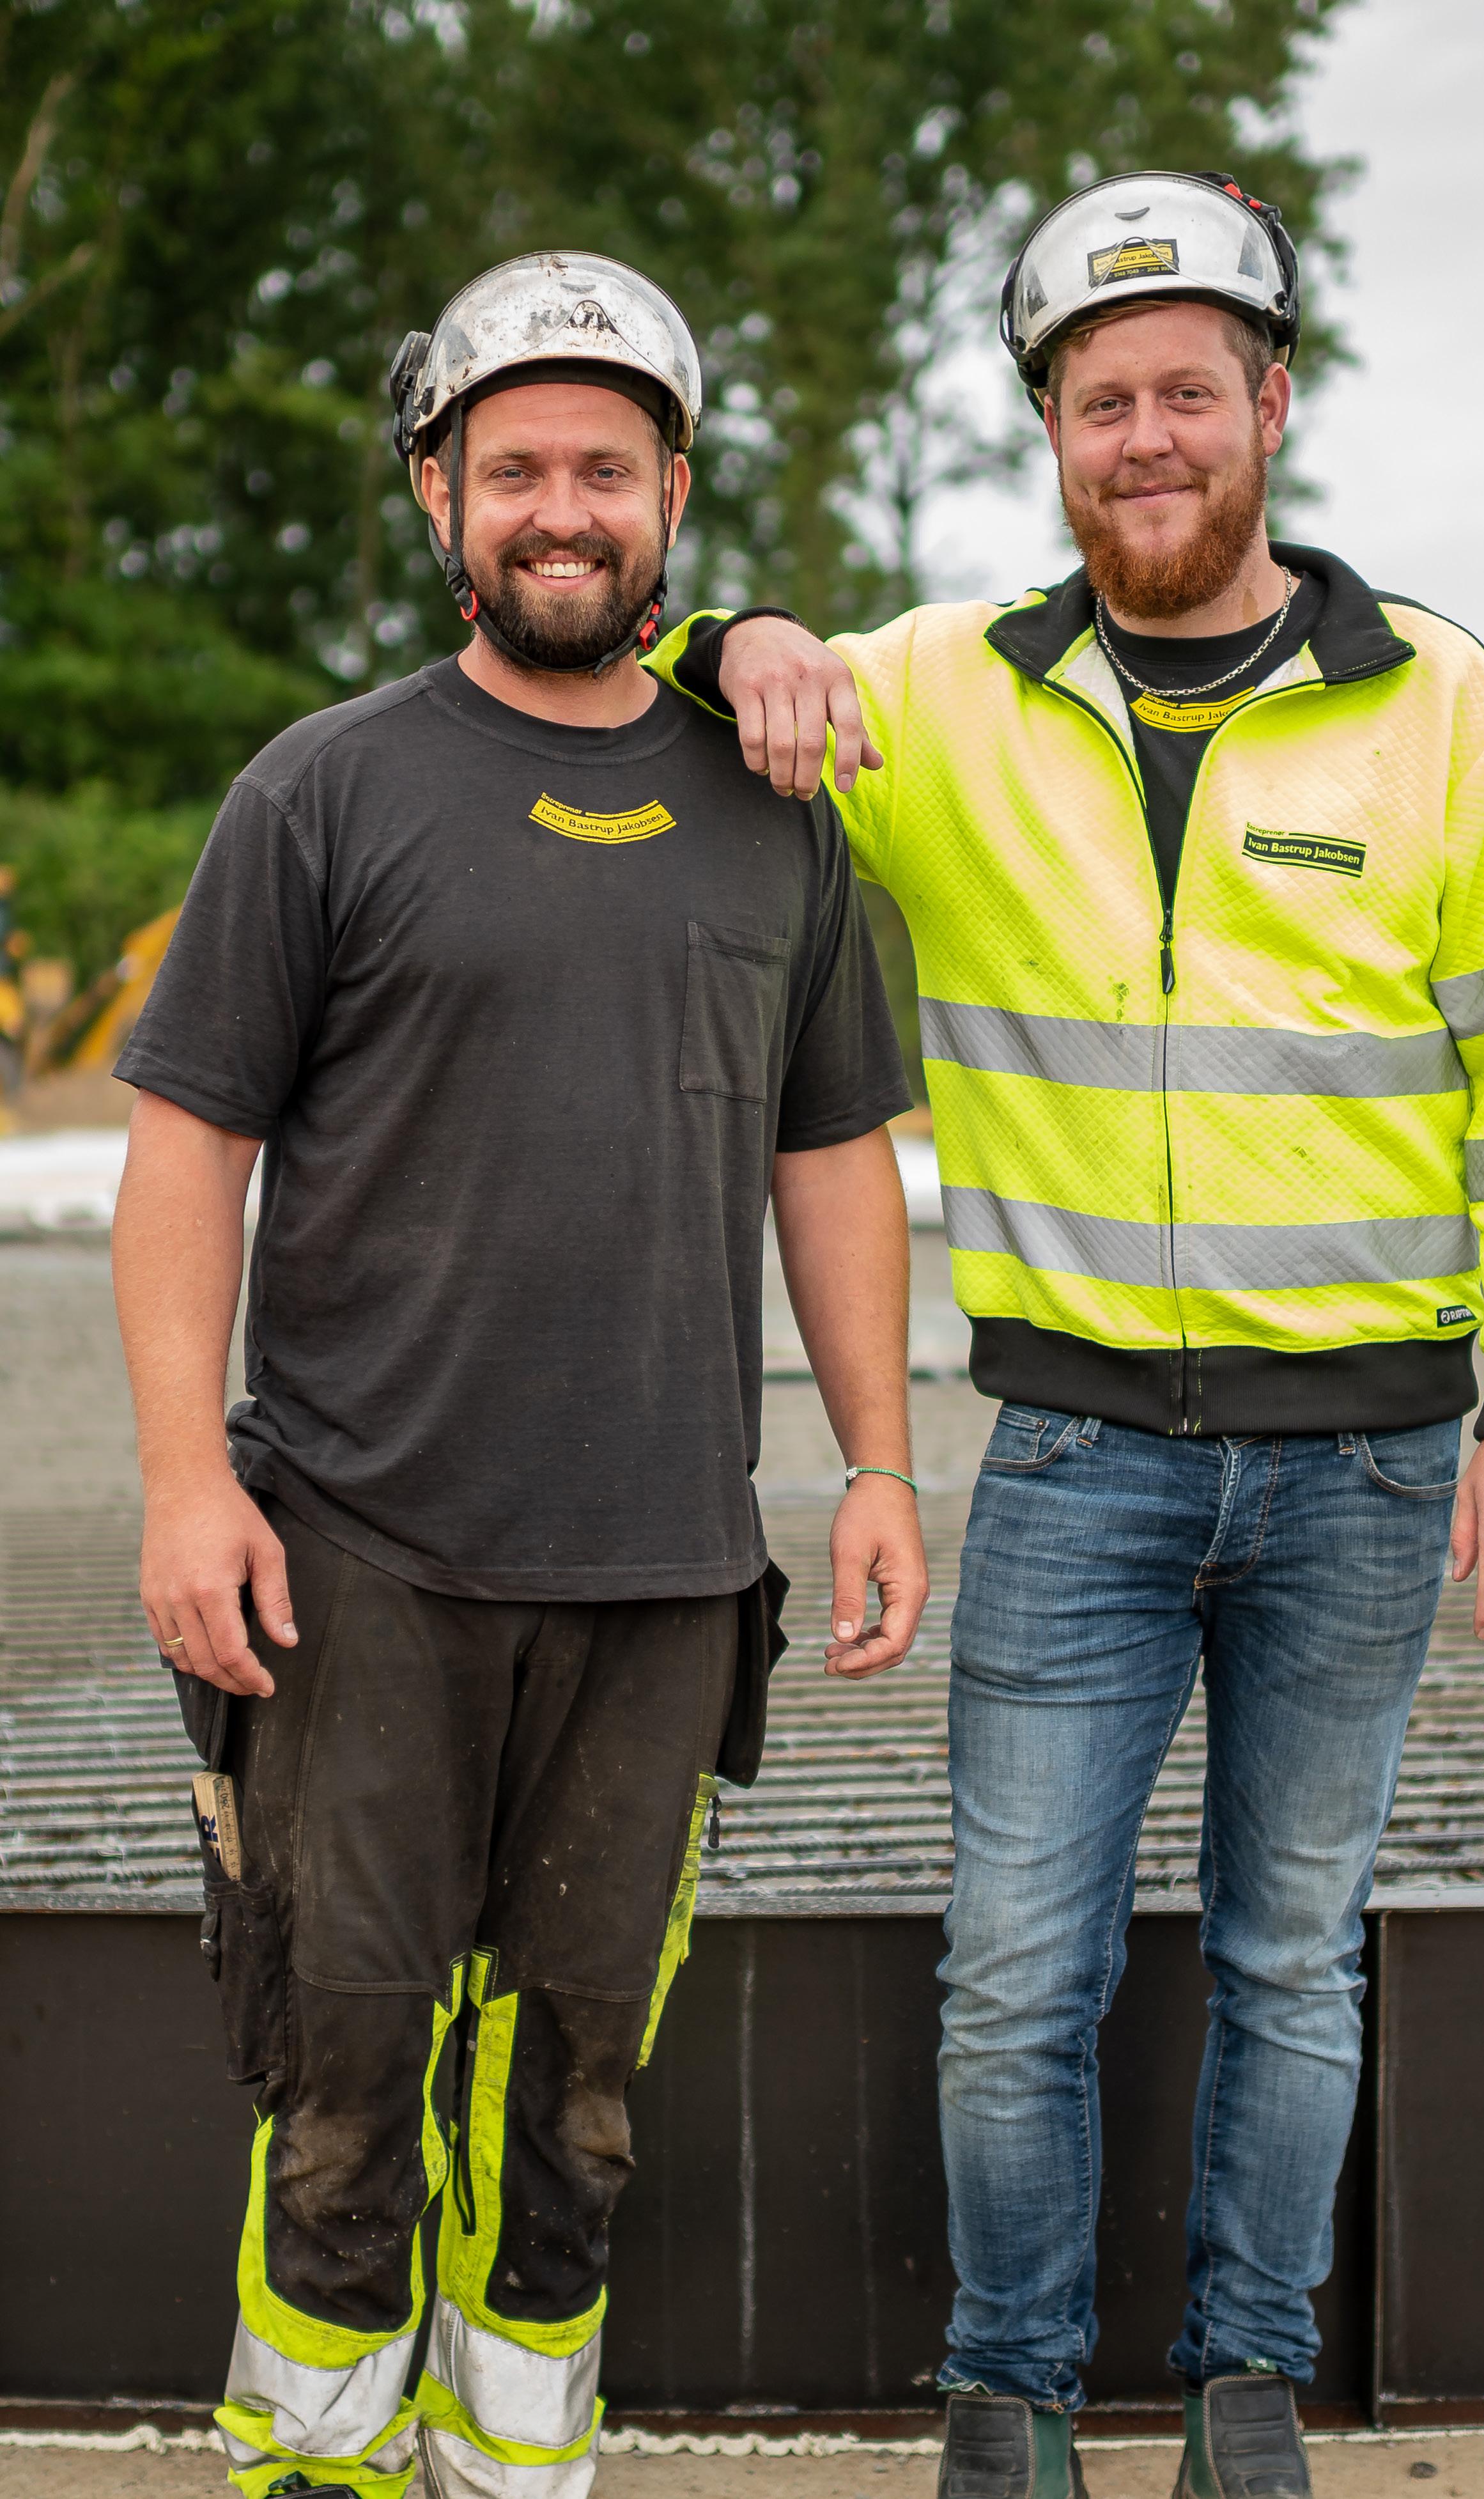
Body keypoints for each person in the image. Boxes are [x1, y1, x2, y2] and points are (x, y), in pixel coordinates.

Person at [654, 172, 1484, 2499]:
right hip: (1077, 1459)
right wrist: (753, 627)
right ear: (1055, 437)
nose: (1150, 438)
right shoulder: (951, 697)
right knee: (1019, 1970)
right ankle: (1007, 2399)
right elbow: (695, 660)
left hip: (1375, 1464)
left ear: (1271, 407)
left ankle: (1242, 2390)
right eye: (1104, 403)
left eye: (1191, 390)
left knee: (1295, 1956)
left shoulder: (1440, 704)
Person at [111, 250, 926, 2499]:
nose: (560, 509)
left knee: (580, 2088)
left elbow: (833, 1158)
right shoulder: (324, 790)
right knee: (344, 2069)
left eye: (604, 468)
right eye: (514, 469)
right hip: (356, 1556)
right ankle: (319, 2461)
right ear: (438, 497)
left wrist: (878, 1462)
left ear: (674, 498)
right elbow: (186, 1159)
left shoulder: (779, 811)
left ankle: (517, 2466)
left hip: (663, 1571)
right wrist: (185, 1483)